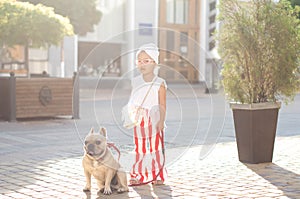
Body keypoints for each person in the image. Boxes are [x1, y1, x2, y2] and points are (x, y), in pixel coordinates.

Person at [127, 43, 167, 185]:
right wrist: (131, 114)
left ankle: (158, 175)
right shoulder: (135, 81)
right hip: (139, 119)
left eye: (146, 61)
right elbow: (133, 100)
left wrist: (161, 121)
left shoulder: (160, 83)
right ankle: (137, 174)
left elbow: (162, 104)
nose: (142, 64)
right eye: (139, 61)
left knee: (156, 147)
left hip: (155, 117)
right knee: (140, 147)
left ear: (155, 63)